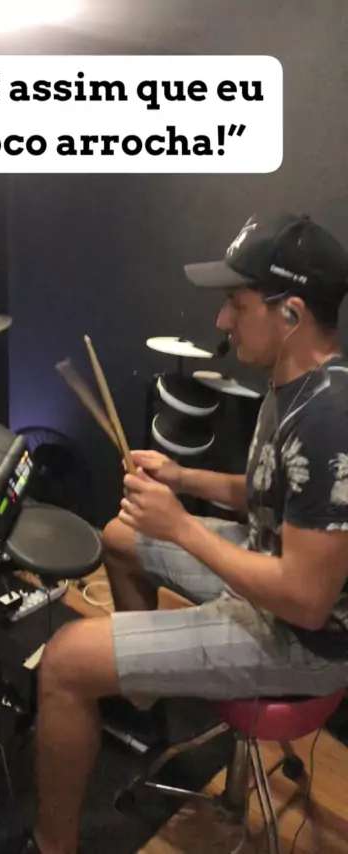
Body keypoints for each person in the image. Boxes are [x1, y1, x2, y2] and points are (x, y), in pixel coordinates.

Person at [20, 212, 348, 854]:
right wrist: (181, 477)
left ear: (291, 313)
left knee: (62, 661)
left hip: (306, 640)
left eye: (236, 304)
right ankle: (139, 695)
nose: (222, 321)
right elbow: (268, 490)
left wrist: (182, 529)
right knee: (119, 535)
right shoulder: (296, 385)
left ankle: (51, 845)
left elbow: (306, 601)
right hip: (270, 571)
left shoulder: (330, 421)